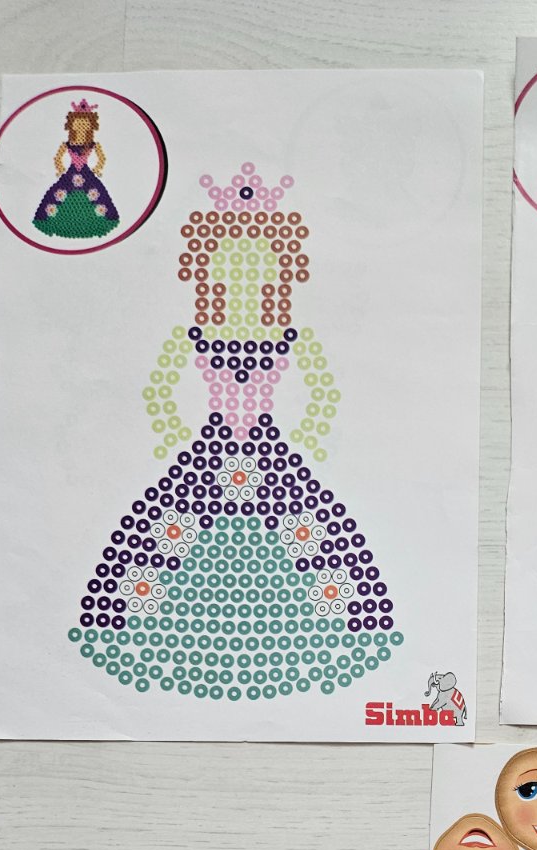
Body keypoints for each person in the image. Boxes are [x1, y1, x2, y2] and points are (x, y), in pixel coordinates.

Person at [67, 164, 401, 702]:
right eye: (227, 273)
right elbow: (161, 386)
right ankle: (129, 624)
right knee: (170, 528)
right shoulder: (197, 334)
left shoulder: (287, 335)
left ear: (277, 278)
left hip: (266, 446)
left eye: (260, 274)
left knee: (307, 531)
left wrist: (310, 434)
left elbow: (319, 388)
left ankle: (342, 629)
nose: (243, 285)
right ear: (209, 276)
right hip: (214, 444)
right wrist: (174, 431)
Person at [33, 99, 120, 239]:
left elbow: (101, 158)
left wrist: (97, 168)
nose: (81, 126)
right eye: (77, 123)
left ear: (90, 126)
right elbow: (58, 158)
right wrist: (60, 168)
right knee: (59, 193)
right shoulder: (67, 144)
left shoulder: (93, 145)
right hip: (71, 172)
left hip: (86, 173)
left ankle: (98, 222)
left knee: (95, 193)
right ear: (71, 125)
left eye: (84, 124)